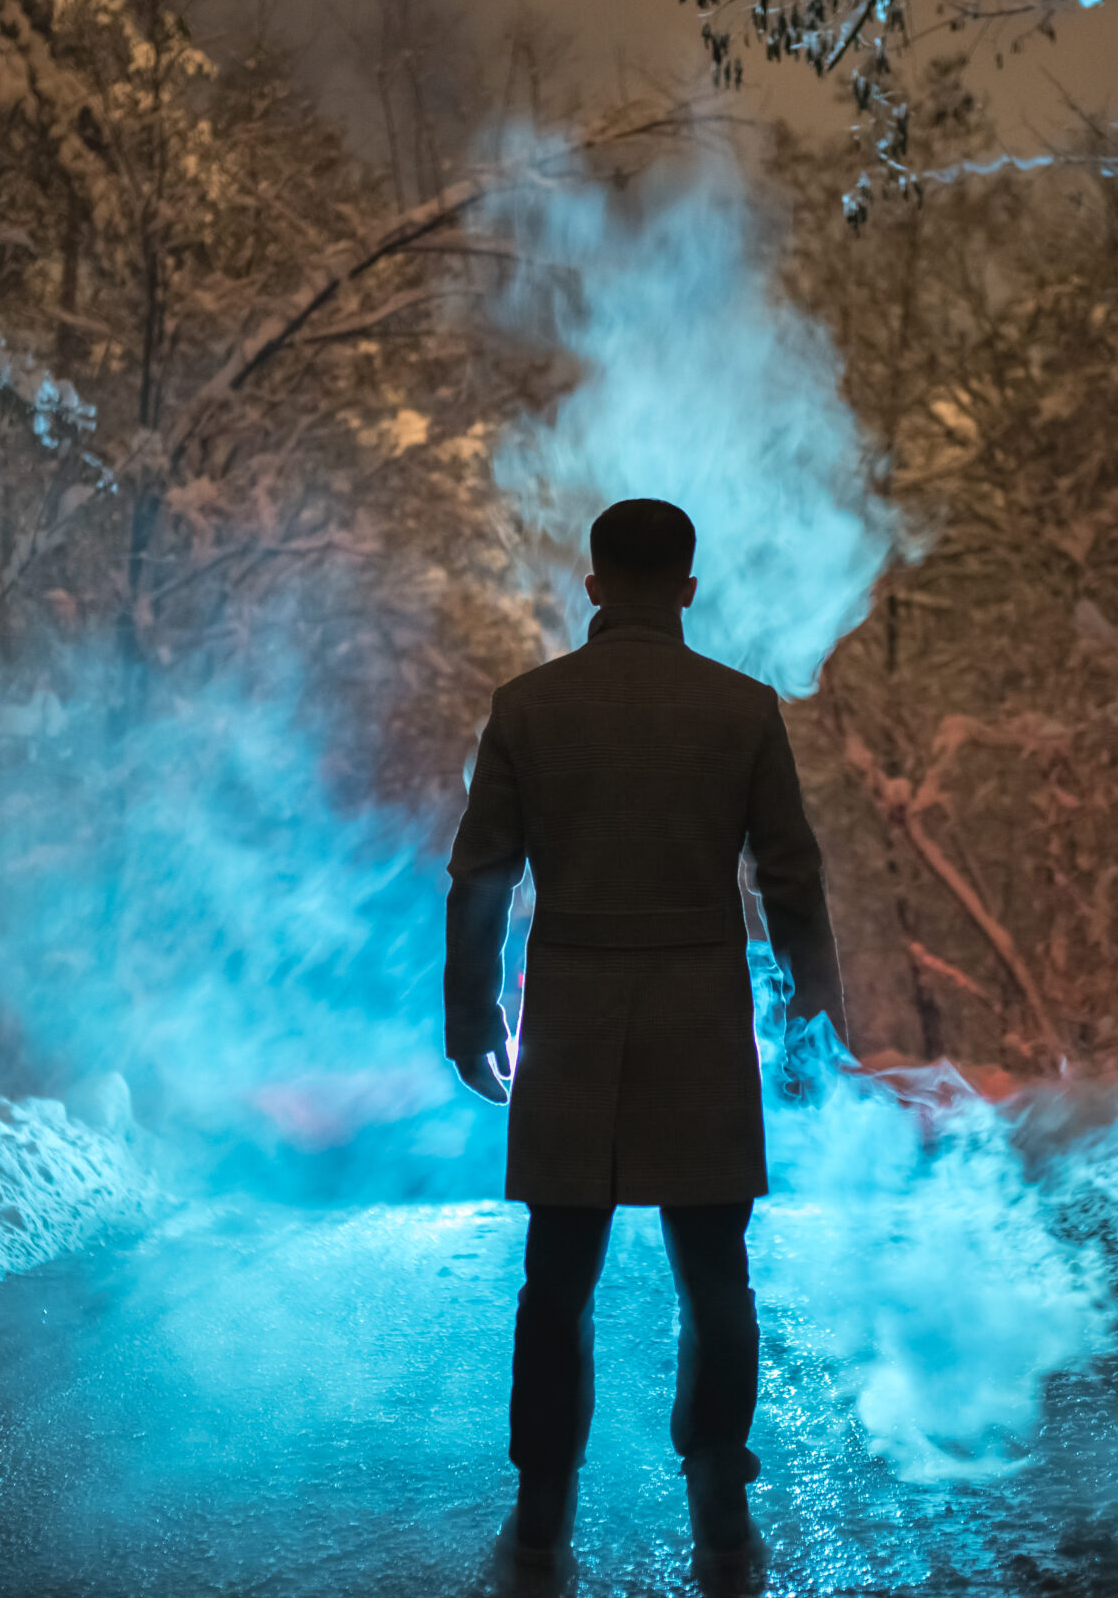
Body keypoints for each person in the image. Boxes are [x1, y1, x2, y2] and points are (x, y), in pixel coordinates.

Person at [443, 498, 845, 1585]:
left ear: (590, 585)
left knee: (557, 1276)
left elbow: (481, 872)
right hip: (696, 1015)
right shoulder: (740, 708)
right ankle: (721, 1516)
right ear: (685, 588)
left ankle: (539, 1525)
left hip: (571, 1012)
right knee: (714, 1273)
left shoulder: (529, 707)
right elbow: (792, 873)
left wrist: (471, 1009)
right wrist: (814, 1004)